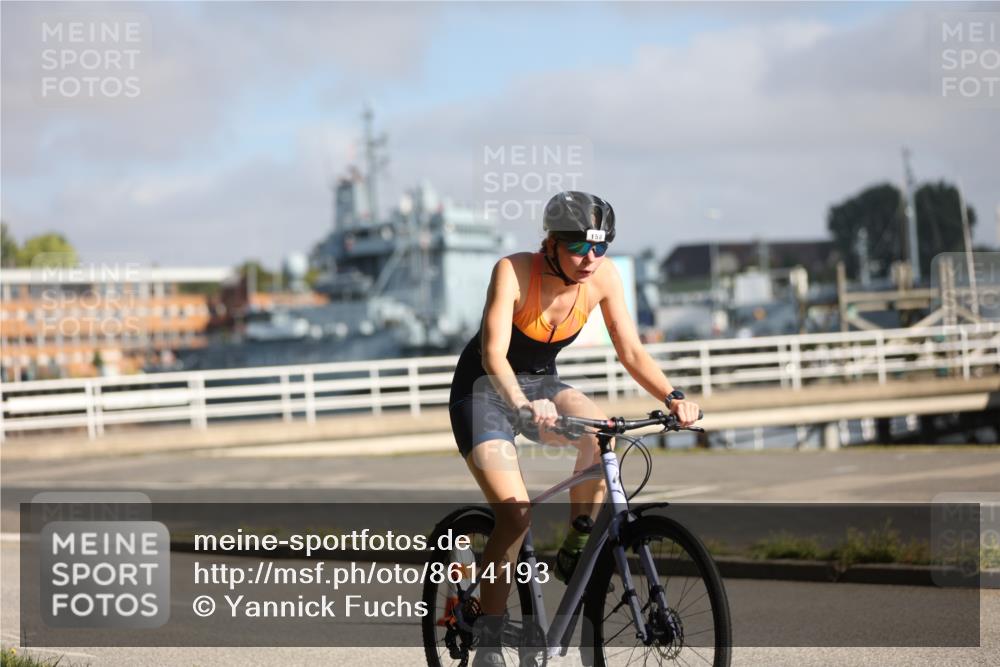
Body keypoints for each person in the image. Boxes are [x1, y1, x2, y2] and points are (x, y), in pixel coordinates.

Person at [448, 191, 700, 666]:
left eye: (600, 248)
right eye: (580, 247)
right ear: (550, 243)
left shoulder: (604, 277)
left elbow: (631, 352)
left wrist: (673, 397)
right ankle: (487, 636)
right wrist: (521, 405)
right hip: (483, 392)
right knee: (516, 514)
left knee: (599, 427)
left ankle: (580, 537)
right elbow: (492, 354)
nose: (591, 259)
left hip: (542, 385)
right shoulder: (513, 271)